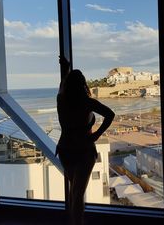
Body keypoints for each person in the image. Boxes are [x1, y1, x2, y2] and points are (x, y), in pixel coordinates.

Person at [55, 68, 115, 225]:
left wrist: (66, 70)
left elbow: (62, 86)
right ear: (83, 84)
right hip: (83, 149)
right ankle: (77, 222)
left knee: (73, 189)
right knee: (78, 193)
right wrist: (97, 135)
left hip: (65, 149)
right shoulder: (87, 102)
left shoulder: (60, 100)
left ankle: (74, 221)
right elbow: (110, 114)